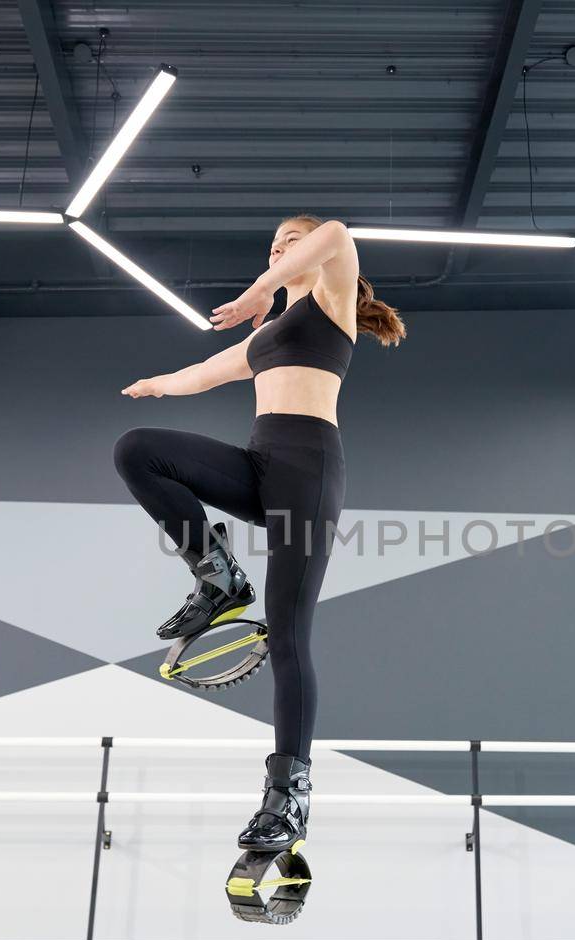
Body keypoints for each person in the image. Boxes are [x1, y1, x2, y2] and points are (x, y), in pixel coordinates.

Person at [114, 214, 406, 853]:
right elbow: (199, 376)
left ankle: (288, 800)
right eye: (272, 246)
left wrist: (259, 289)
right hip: (259, 466)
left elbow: (337, 234)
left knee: (290, 638)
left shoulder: (331, 303)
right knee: (137, 450)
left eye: (288, 243)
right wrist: (156, 386)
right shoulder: (266, 337)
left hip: (308, 471)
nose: (279, 249)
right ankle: (218, 578)